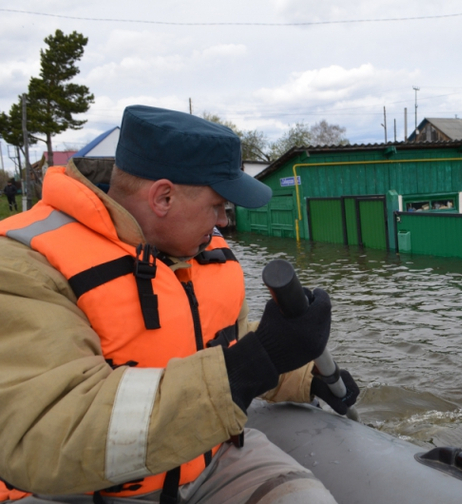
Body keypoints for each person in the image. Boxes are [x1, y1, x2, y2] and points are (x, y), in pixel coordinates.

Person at [0, 105, 359, 504]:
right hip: (85, 492)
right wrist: (258, 361)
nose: (225, 220)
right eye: (218, 204)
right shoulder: (22, 265)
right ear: (164, 197)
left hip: (210, 458)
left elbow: (226, 343)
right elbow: (49, 432)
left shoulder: (201, 248)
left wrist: (303, 374)